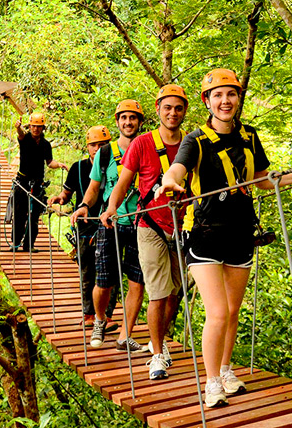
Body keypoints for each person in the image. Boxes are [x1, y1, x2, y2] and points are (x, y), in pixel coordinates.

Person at [155, 69, 292, 407]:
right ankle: (211, 382)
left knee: (231, 311)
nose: (225, 101)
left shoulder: (250, 136)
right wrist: (170, 180)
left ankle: (226, 370)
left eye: (230, 94)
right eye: (217, 95)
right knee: (216, 312)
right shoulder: (195, 140)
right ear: (207, 101)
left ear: (238, 99)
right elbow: (178, 169)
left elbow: (259, 178)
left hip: (241, 231)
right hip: (203, 233)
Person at [101, 84, 189, 380]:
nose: (172, 113)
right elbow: (124, 181)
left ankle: (157, 340)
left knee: (176, 291)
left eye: (178, 108)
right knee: (158, 292)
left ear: (184, 111)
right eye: (167, 108)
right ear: (158, 110)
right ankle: (156, 355)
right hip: (148, 224)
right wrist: (112, 207)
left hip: (182, 226)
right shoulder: (142, 143)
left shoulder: (191, 144)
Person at [71, 100, 147, 352]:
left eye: (133, 118)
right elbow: (94, 189)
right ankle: (100, 319)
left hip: (142, 224)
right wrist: (83, 205)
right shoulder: (105, 154)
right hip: (110, 222)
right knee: (104, 282)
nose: (128, 122)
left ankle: (125, 335)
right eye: (124, 118)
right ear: (117, 122)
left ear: (139, 122)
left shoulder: (148, 148)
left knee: (137, 282)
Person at [48, 126, 119, 330]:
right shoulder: (78, 168)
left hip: (110, 224)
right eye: (94, 144)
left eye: (102, 144)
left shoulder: (117, 166)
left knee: (110, 273)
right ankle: (89, 314)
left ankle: (106, 315)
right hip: (86, 227)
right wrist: (59, 199)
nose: (98, 148)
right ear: (87, 146)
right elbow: (67, 193)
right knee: (87, 272)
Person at [10, 113, 68, 252]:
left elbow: (49, 162)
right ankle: (16, 243)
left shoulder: (45, 144)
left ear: (42, 128)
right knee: (19, 213)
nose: (36, 129)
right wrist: (18, 128)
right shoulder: (25, 139)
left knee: (34, 215)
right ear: (29, 126)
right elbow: (20, 135)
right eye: (33, 126)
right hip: (22, 182)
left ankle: (29, 245)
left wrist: (59, 164)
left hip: (37, 184)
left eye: (38, 126)